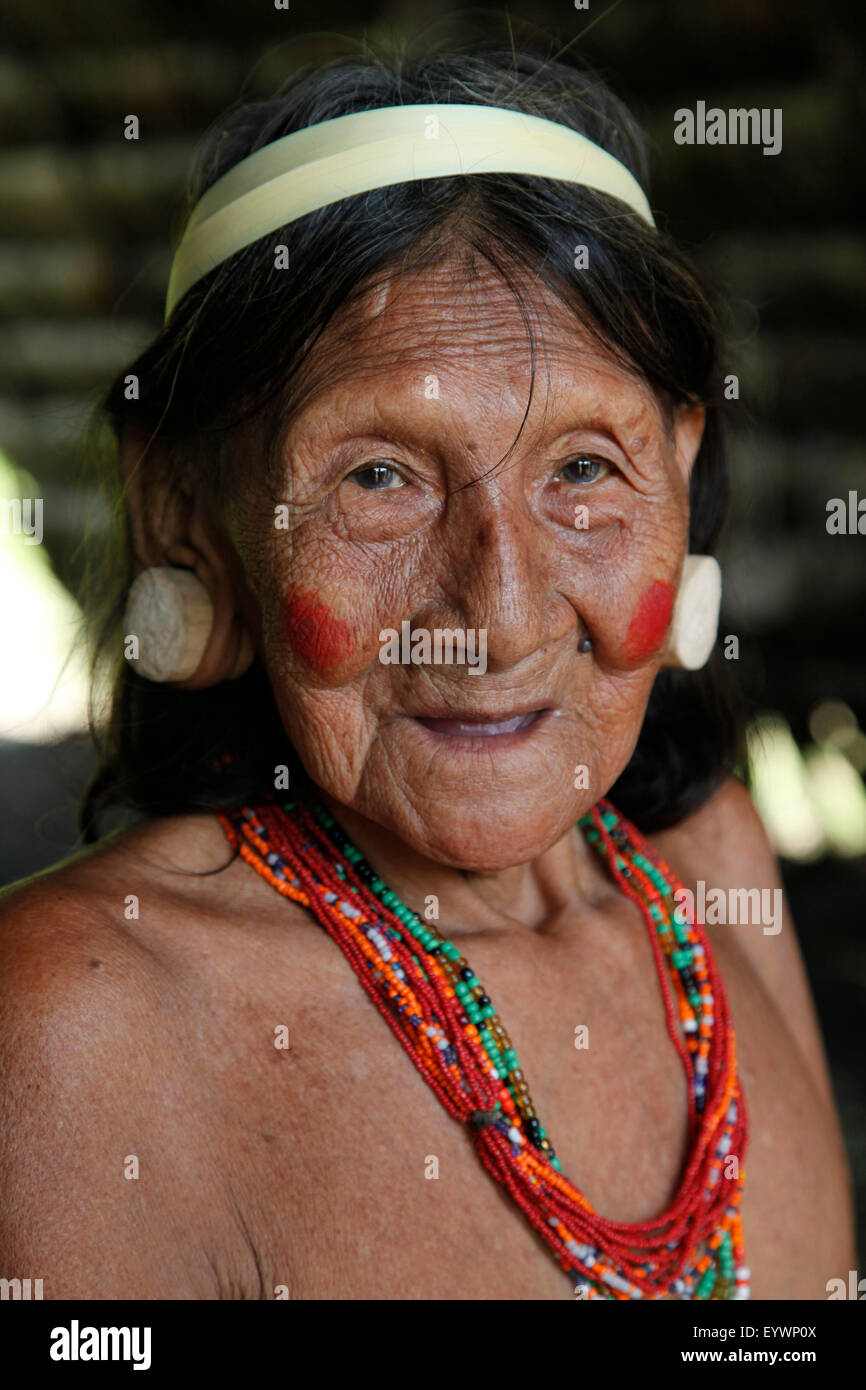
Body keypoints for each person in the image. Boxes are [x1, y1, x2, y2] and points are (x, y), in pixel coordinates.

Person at [0, 39, 854, 1300]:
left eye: (581, 470)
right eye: (379, 478)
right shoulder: (82, 1028)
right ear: (183, 509)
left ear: (678, 471)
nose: (499, 619)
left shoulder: (717, 872)